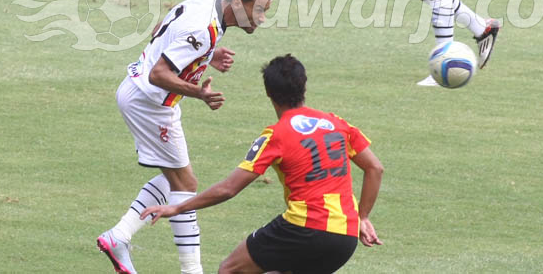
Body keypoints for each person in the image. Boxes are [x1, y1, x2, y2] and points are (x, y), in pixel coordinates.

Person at [140, 54, 384, 274]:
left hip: (304, 229)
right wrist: (361, 216)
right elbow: (375, 168)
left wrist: (177, 208)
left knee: (230, 269)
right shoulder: (337, 123)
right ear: (304, 86)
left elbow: (229, 188)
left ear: (268, 92)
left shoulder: (275, 135)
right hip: (345, 237)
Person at [97, 0, 273, 274]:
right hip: (149, 102)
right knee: (185, 185)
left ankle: (120, 236)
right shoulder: (204, 29)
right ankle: (190, 270)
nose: (261, 18)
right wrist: (199, 93)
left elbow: (161, 30)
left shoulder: (204, 3)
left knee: (176, 179)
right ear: (236, 3)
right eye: (258, 10)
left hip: (139, 92)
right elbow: (159, 74)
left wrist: (205, 55)